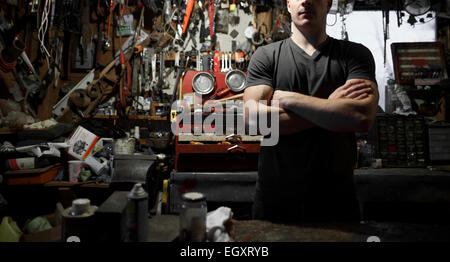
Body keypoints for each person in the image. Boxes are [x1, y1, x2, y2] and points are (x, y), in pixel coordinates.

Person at [244, 0, 379, 223]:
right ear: (288, 4)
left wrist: (290, 98)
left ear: (328, 4)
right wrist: (331, 109)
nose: (306, 1)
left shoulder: (354, 55)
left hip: (335, 199)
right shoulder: (266, 56)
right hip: (276, 200)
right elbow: (253, 120)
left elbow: (361, 118)